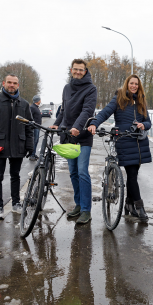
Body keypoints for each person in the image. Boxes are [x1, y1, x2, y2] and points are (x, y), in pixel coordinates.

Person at [88, 74, 152, 222]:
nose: (134, 86)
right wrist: (94, 123)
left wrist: (144, 125)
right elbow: (105, 112)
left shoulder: (141, 101)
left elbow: (148, 122)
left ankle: (128, 205)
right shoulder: (119, 98)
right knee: (131, 174)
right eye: (131, 83)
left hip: (139, 142)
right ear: (127, 84)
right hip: (124, 140)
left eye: (136, 84)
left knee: (133, 175)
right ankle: (139, 206)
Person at [0, 74, 34, 220]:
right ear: (4, 83)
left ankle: (16, 203)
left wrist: (30, 146)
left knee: (15, 175)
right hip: (0, 145)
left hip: (18, 145)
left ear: (18, 85)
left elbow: (29, 127)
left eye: (15, 83)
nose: (12, 85)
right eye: (9, 82)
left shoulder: (24, 104)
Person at [52, 59, 97, 225]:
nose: (78, 72)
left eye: (81, 70)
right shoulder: (66, 88)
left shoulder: (91, 89)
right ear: (71, 70)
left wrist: (78, 126)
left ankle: (86, 210)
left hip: (83, 136)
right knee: (72, 172)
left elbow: (87, 110)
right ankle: (78, 204)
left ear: (85, 71)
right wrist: (57, 123)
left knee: (82, 171)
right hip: (67, 137)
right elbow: (63, 111)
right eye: (75, 69)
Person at [29, 95, 42, 161]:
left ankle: (33, 154)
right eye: (40, 99)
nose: (40, 100)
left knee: (36, 141)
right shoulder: (32, 107)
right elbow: (30, 118)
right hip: (34, 127)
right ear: (38, 100)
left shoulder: (36, 107)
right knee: (34, 141)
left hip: (37, 127)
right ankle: (32, 155)